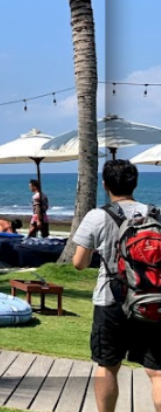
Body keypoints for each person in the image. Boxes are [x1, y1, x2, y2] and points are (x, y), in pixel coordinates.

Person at [71, 160, 161, 412]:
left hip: (111, 301)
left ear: (105, 184)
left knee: (108, 365)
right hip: (151, 301)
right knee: (157, 371)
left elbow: (79, 263)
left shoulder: (97, 215)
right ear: (135, 183)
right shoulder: (155, 213)